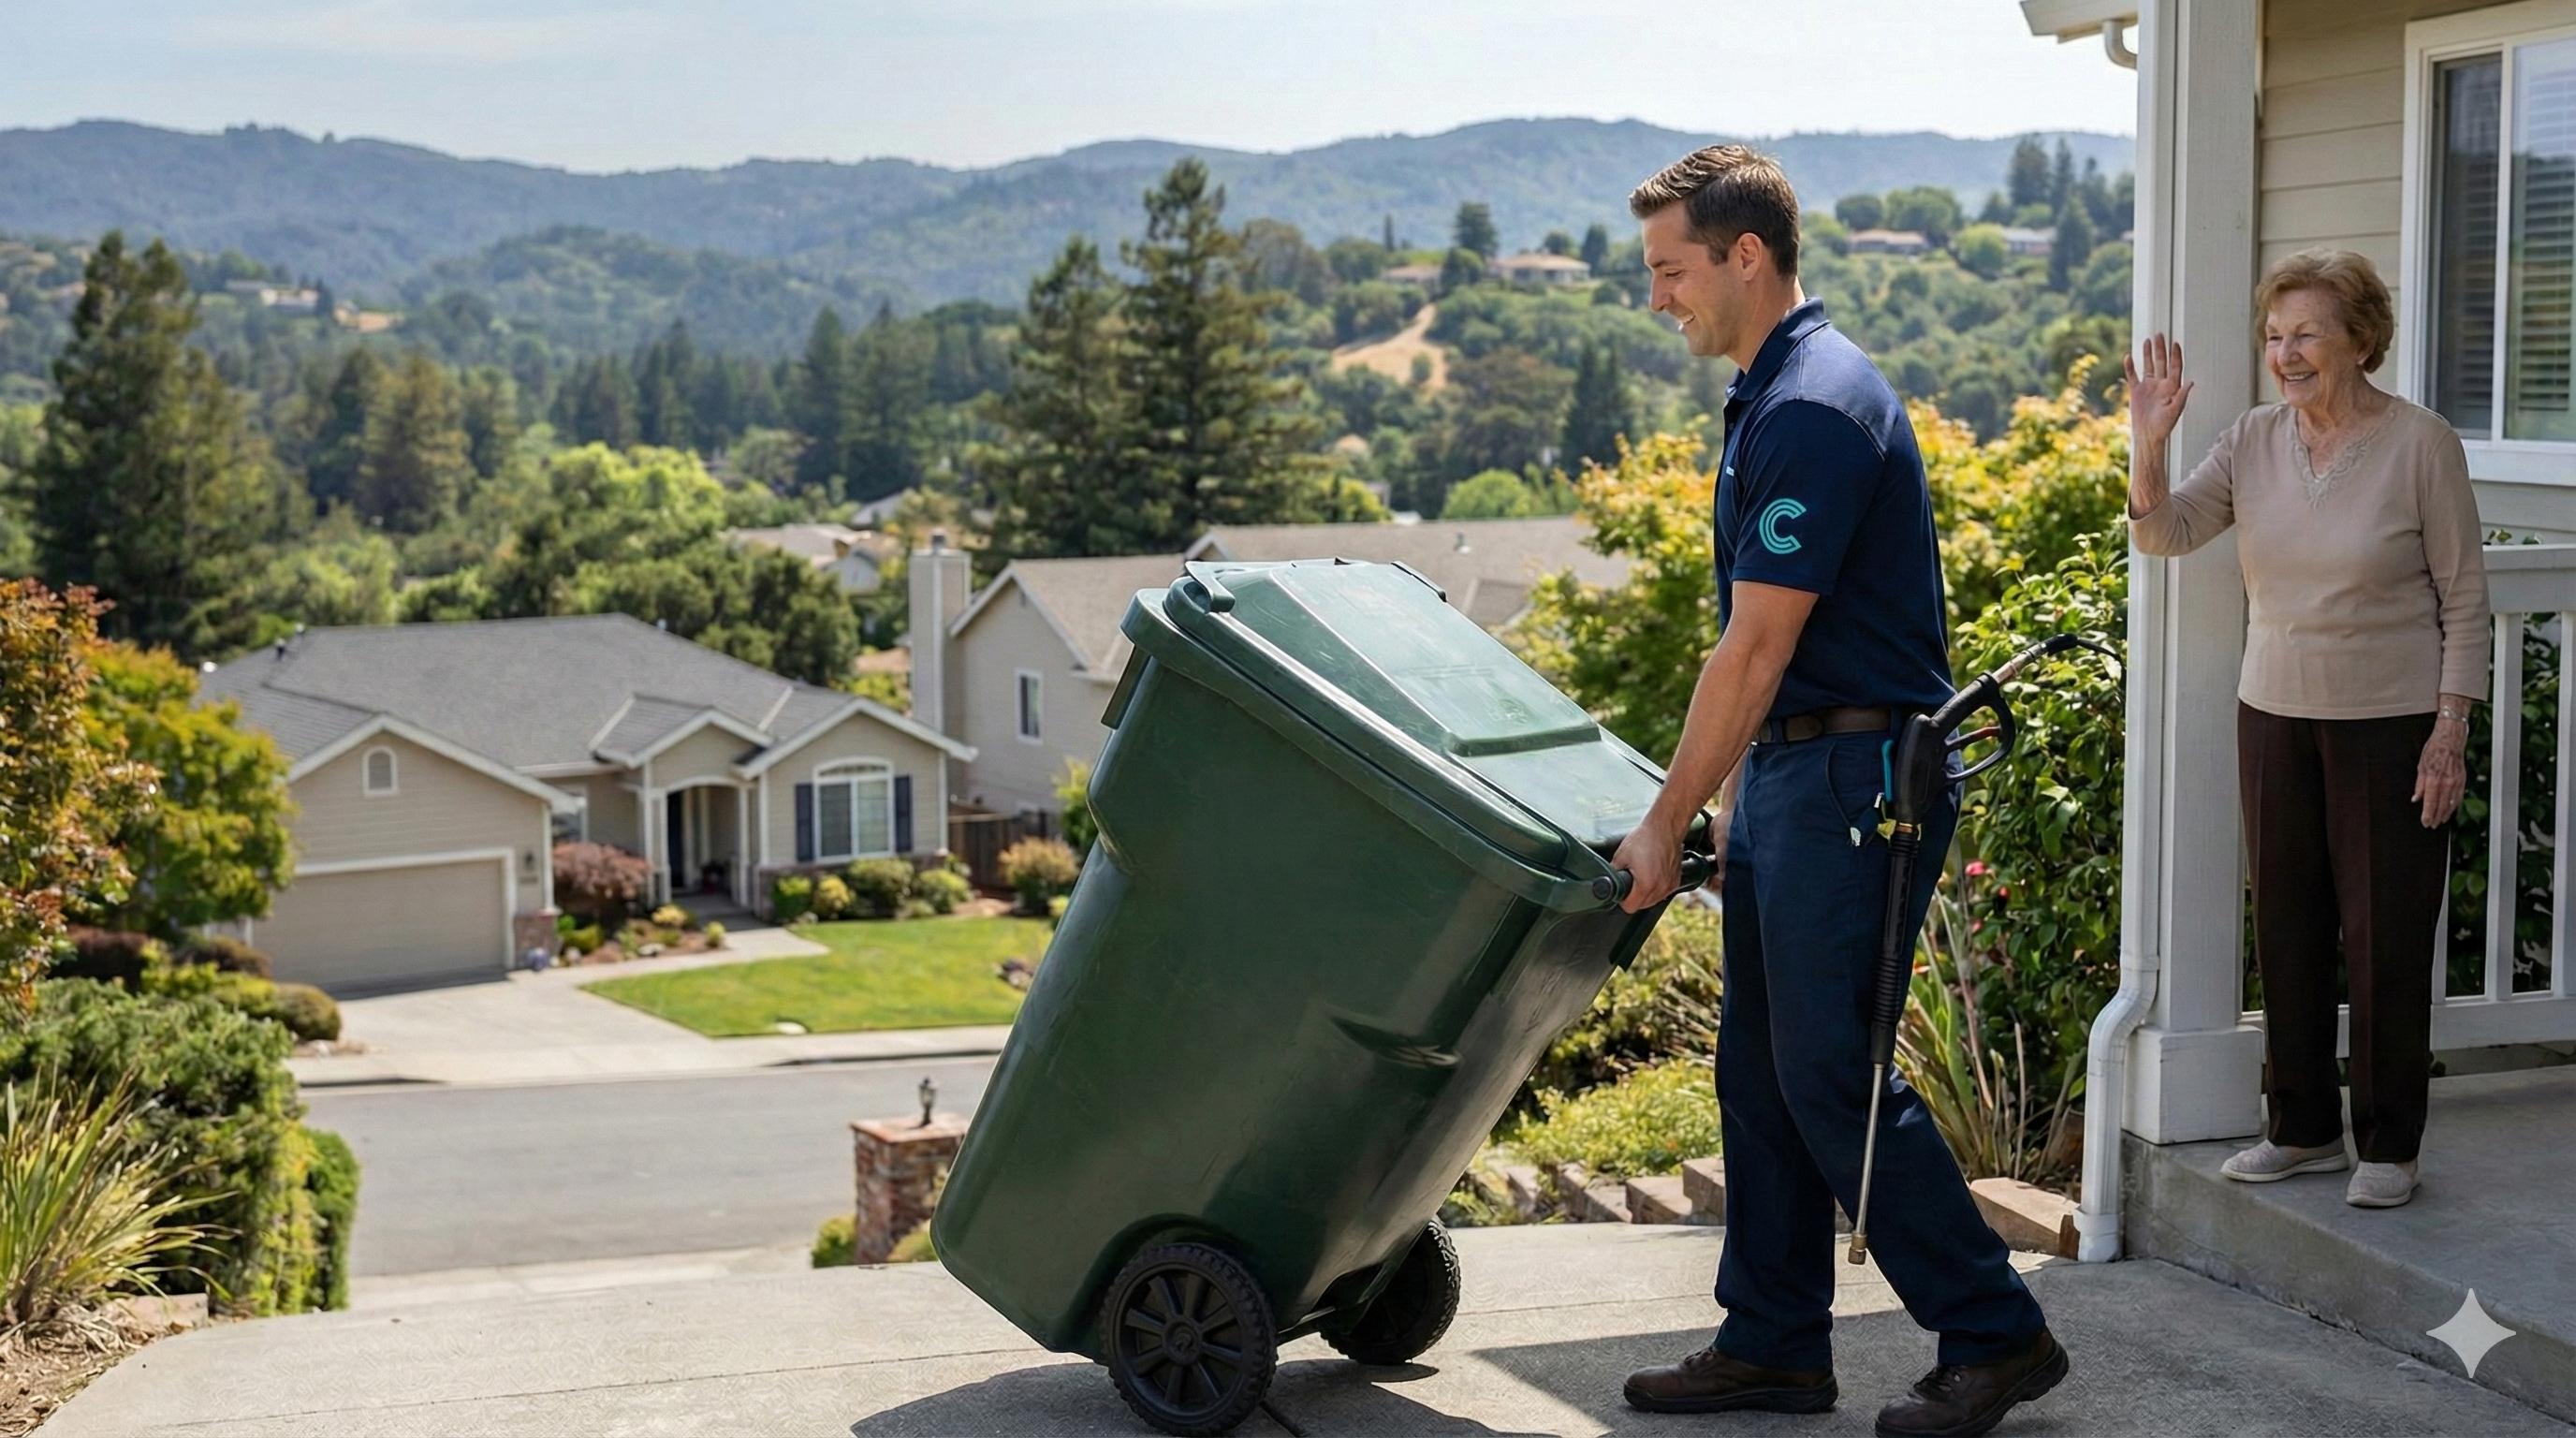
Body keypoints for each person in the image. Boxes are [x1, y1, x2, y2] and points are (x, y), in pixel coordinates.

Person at [1610, 144, 2065, 1436]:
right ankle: (1773, 1345)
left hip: (1859, 781)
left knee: (1831, 1070)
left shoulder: (1814, 404)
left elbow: (1756, 644)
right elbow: (1769, 661)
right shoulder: (1771, 395)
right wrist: (1727, 796)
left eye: (1673, 270)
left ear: (1745, 255)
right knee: (1759, 1073)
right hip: (1798, 772)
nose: (1661, 299)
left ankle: (1995, 1332)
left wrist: (1662, 820)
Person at [2126, 247, 2489, 1211]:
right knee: (2286, 927)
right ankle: (2299, 1128)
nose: (2285, 354)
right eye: (2274, 336)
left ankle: (2388, 1142)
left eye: (2306, 334)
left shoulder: (2421, 444)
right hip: (2273, 713)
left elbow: (2463, 601)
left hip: (2392, 722)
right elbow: (2163, 533)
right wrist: (2149, 440)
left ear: (2359, 340)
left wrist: (2448, 730)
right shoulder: (2249, 439)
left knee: (2384, 938)